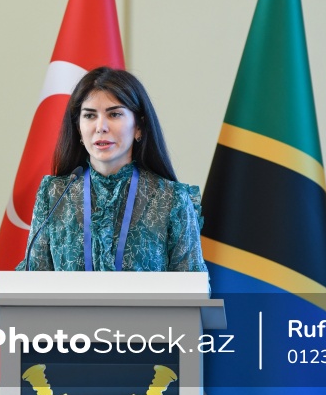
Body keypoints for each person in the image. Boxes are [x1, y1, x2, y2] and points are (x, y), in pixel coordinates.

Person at [18, 66, 205, 272]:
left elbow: (192, 285)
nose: (101, 127)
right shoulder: (54, 195)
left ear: (139, 127)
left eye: (114, 114)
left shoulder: (171, 199)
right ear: (78, 128)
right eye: (90, 116)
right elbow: (32, 278)